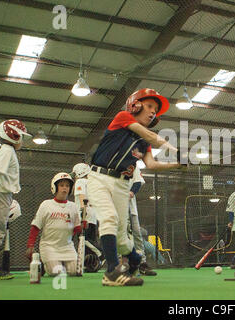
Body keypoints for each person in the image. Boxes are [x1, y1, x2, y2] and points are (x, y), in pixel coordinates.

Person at [87, 88, 184, 286]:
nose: (152, 112)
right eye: (149, 106)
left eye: (155, 110)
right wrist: (175, 150)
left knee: (122, 238)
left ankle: (134, 260)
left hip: (123, 184)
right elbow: (148, 135)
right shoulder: (123, 117)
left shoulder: (143, 143)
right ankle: (112, 273)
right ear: (136, 105)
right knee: (109, 218)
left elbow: (151, 165)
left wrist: (177, 164)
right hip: (99, 177)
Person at [0, 120, 31, 280]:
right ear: (13, 135)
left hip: (1, 193)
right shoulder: (7, 151)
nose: (22, 141)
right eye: (21, 137)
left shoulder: (7, 151)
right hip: (0, 193)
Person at [26, 173, 82, 277]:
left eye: (67, 186)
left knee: (75, 271)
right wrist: (30, 245)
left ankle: (60, 263)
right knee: (57, 272)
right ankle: (43, 264)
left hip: (67, 247)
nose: (64, 188)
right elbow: (36, 226)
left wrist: (83, 225)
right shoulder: (46, 205)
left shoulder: (73, 206)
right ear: (54, 187)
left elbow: (77, 229)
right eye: (61, 185)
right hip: (49, 247)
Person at [72, 163, 104, 272]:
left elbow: (82, 197)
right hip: (93, 214)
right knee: (90, 238)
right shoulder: (91, 182)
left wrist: (82, 212)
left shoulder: (80, 182)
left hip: (85, 213)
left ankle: (101, 254)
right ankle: (90, 263)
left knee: (84, 238)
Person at [128, 165, 157, 276]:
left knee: (137, 236)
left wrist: (130, 193)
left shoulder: (133, 165)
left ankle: (142, 264)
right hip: (117, 209)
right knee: (121, 237)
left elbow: (138, 182)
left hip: (131, 209)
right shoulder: (112, 166)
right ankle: (122, 265)